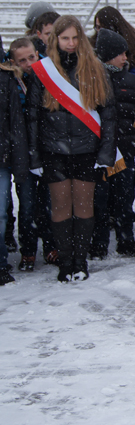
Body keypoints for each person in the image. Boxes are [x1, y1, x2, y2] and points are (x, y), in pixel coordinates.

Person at [26, 15, 116, 282]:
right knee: (60, 207)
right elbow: (32, 117)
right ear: (55, 39)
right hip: (53, 151)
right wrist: (35, 156)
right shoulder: (42, 71)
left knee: (84, 207)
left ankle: (80, 261)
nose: (71, 43)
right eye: (65, 38)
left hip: (87, 150)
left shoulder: (95, 68)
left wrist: (106, 153)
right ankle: (65, 262)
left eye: (75, 38)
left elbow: (108, 114)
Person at [89, 29, 135, 259]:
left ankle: (126, 240)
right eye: (120, 54)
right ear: (107, 56)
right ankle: (99, 243)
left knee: (125, 198)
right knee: (100, 201)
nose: (125, 58)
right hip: (100, 152)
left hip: (125, 149)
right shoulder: (92, 81)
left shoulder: (130, 80)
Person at [7, 38, 56, 271]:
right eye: (22, 60)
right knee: (27, 204)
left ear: (38, 54)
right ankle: (28, 250)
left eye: (31, 57)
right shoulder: (11, 82)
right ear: (13, 62)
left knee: (49, 202)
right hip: (22, 151)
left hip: (46, 147)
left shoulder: (49, 75)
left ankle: (51, 246)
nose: (28, 64)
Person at [0, 61, 29, 285]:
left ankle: (0, 263)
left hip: (1, 156)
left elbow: (16, 123)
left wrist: (19, 162)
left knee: (1, 214)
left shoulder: (5, 80)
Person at [91, 7, 135, 73]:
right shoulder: (93, 43)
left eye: (102, 27)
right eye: (97, 27)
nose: (100, 31)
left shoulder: (132, 43)